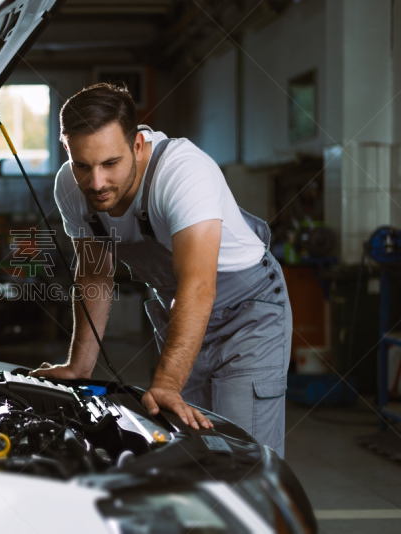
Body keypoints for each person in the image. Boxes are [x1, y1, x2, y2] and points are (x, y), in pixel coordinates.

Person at [30, 83, 292, 457]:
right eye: (82, 166)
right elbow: (94, 275)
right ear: (67, 151)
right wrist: (79, 366)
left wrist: (167, 381)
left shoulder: (183, 172)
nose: (97, 182)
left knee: (242, 455)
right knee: (193, 451)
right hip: (180, 313)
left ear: (137, 146)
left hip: (246, 315)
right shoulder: (71, 189)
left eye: (110, 164)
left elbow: (199, 285)